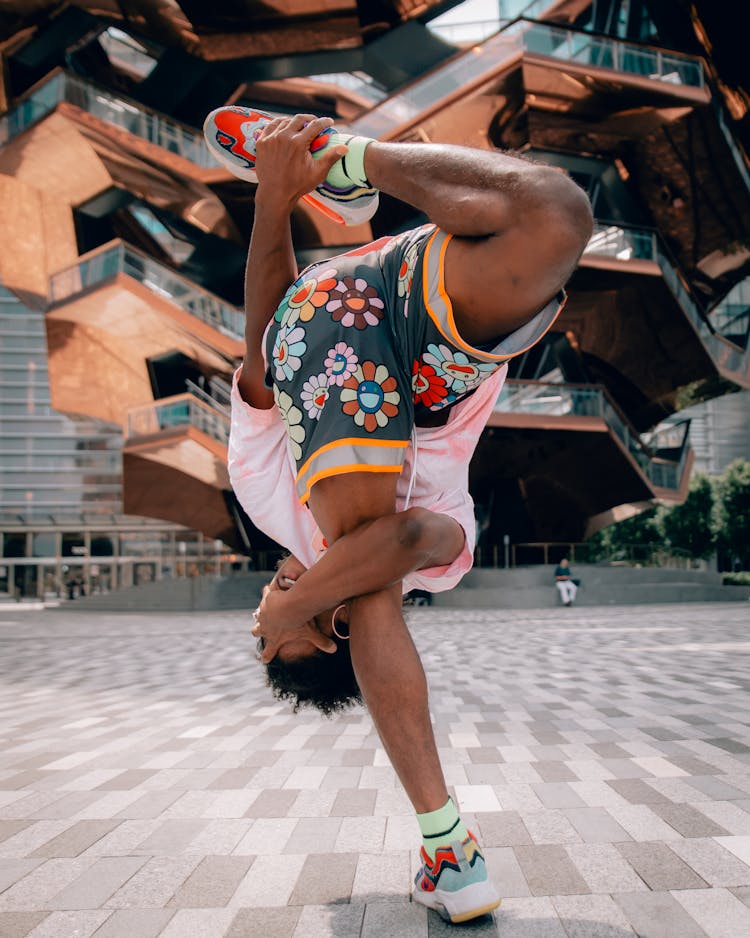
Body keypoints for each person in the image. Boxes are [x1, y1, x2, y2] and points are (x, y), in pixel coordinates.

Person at [206, 107, 593, 923]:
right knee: (557, 216)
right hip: (432, 358)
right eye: (268, 638)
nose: (256, 619)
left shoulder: (260, 492)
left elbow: (263, 352)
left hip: (326, 309)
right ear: (323, 637)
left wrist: (273, 199)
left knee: (361, 548)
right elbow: (417, 537)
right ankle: (351, 161)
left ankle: (446, 850)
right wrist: (310, 597)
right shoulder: (433, 571)